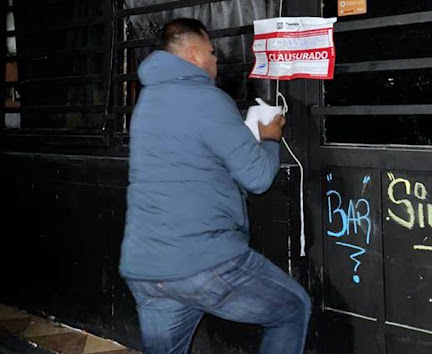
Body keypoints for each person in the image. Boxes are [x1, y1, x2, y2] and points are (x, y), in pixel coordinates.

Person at [119, 18, 311, 354]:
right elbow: (258, 178)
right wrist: (269, 138)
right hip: (203, 262)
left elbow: (189, 158)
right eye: (211, 52)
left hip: (148, 269)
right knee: (292, 308)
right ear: (193, 54)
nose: (216, 59)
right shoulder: (207, 99)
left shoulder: (146, 104)